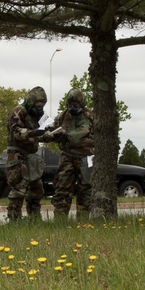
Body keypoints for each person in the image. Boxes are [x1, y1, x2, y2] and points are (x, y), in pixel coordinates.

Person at [6, 86, 53, 221]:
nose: (40, 107)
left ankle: (34, 219)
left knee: (36, 190)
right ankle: (14, 219)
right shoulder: (18, 112)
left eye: (42, 105)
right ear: (31, 101)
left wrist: (51, 134)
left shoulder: (37, 116)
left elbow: (41, 136)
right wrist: (32, 132)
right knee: (19, 188)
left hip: (31, 157)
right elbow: (16, 133)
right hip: (17, 156)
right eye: (37, 104)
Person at [50, 88, 94, 218]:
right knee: (62, 189)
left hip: (85, 158)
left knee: (85, 189)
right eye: (70, 105)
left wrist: (83, 140)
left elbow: (100, 137)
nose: (72, 108)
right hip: (67, 157)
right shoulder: (64, 116)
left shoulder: (91, 117)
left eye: (75, 105)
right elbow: (53, 129)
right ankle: (60, 220)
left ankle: (83, 220)